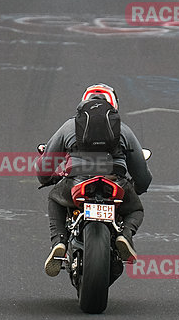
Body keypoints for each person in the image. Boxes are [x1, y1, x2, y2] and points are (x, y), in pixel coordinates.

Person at [35, 84, 152, 277]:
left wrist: (49, 178)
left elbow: (44, 168)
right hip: (114, 183)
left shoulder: (69, 126)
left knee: (55, 198)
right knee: (136, 209)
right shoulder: (124, 130)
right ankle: (125, 236)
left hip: (76, 183)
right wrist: (137, 188)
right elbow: (142, 175)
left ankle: (59, 243)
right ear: (114, 105)